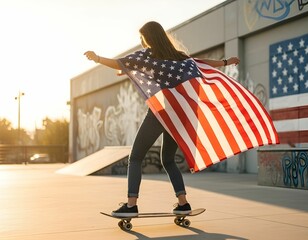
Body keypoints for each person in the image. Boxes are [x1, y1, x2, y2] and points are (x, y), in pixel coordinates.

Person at [84, 21, 240, 217]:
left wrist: (97, 58)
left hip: (161, 113)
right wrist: (225, 62)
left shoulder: (148, 54)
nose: (142, 42)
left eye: (143, 38)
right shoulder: (178, 56)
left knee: (136, 157)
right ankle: (183, 203)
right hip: (179, 115)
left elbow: (119, 63)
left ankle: (131, 204)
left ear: (148, 38)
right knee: (168, 159)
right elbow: (200, 62)